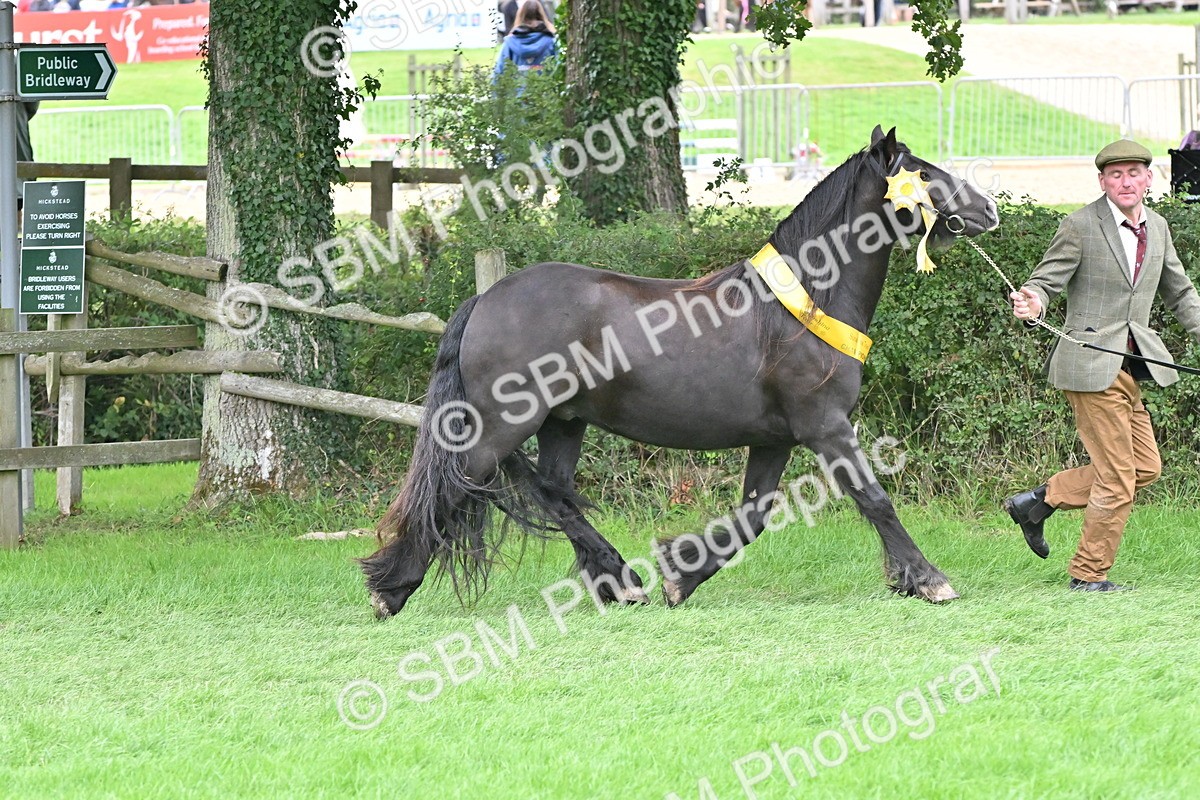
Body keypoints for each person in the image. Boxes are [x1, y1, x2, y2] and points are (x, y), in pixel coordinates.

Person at [1004, 138, 1200, 592]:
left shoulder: (1160, 228)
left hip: (1132, 365)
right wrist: (1032, 301)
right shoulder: (1079, 225)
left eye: (1134, 172)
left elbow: (1181, 293)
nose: (1126, 181)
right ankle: (1088, 576)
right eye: (1116, 174)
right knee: (1117, 480)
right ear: (1102, 181)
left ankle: (1038, 501)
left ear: (1150, 178)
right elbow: (1044, 281)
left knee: (1145, 468)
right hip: (1090, 364)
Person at [493, 0, 557, 81]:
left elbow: (498, 73)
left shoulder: (509, 43)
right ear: (542, 15)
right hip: (545, 91)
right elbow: (558, 70)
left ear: (520, 16)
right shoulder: (551, 42)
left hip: (516, 92)